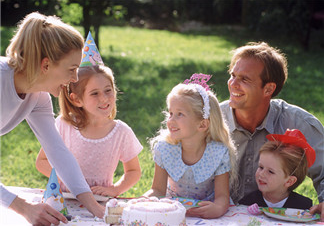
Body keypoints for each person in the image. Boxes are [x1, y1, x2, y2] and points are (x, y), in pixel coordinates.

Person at [0, 12, 104, 225]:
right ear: (46, 65)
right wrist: (24, 208)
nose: (74, 79)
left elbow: (58, 153)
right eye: (71, 69)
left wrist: (97, 210)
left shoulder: (38, 97)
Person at [220, 42, 324, 220]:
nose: (233, 84)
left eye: (244, 79)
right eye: (233, 75)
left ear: (268, 89)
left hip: (275, 218)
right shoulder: (213, 120)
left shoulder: (298, 122)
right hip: (219, 215)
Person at [35, 64, 143, 197]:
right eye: (95, 93)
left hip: (101, 201)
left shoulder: (121, 132)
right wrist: (66, 179)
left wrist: (115, 190)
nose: (104, 98)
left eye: (108, 90)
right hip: (65, 200)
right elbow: (42, 161)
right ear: (77, 99)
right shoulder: (64, 125)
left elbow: (133, 171)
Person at [144, 73, 238, 219]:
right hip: (173, 211)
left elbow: (222, 197)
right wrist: (146, 199)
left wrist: (218, 208)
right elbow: (157, 190)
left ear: (202, 124)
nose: (170, 120)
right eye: (170, 113)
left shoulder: (218, 153)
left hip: (207, 212)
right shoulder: (164, 149)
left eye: (179, 114)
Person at [239, 129, 315, 209]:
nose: (261, 174)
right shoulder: (247, 203)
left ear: (289, 181)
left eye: (270, 171)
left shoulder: (303, 207)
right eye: (261, 167)